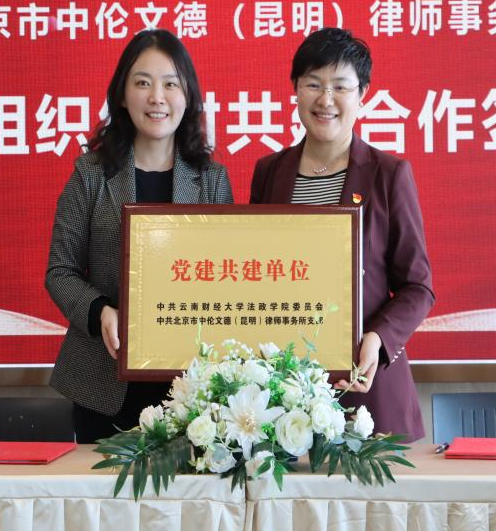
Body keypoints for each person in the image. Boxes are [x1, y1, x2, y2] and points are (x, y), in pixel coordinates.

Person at [46, 29, 234, 443]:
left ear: (188, 96)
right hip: (104, 378)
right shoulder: (90, 175)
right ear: (122, 95)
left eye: (170, 84)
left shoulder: (211, 180)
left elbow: (226, 276)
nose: (157, 98)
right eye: (143, 83)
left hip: (191, 383)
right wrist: (100, 312)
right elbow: (60, 270)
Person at [249, 28, 434, 441]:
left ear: (362, 94)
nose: (325, 99)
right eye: (313, 84)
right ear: (296, 89)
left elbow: (418, 287)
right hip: (283, 390)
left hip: (366, 389)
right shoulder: (270, 173)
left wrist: (378, 339)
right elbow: (258, 273)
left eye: (340, 87)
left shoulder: (389, 174)